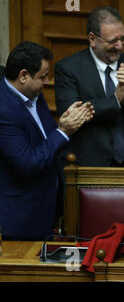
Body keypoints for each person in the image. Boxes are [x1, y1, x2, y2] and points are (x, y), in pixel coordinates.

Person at [0, 41, 94, 240]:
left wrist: (67, 121)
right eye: (42, 77)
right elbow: (27, 163)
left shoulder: (34, 93)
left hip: (46, 209)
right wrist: (63, 131)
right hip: (20, 219)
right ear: (23, 76)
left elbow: (47, 136)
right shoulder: (3, 110)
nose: (47, 81)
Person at [54, 6, 124, 167]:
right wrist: (115, 100)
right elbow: (71, 114)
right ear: (92, 39)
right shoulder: (68, 68)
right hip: (90, 164)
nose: (120, 46)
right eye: (113, 41)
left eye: (123, 39)